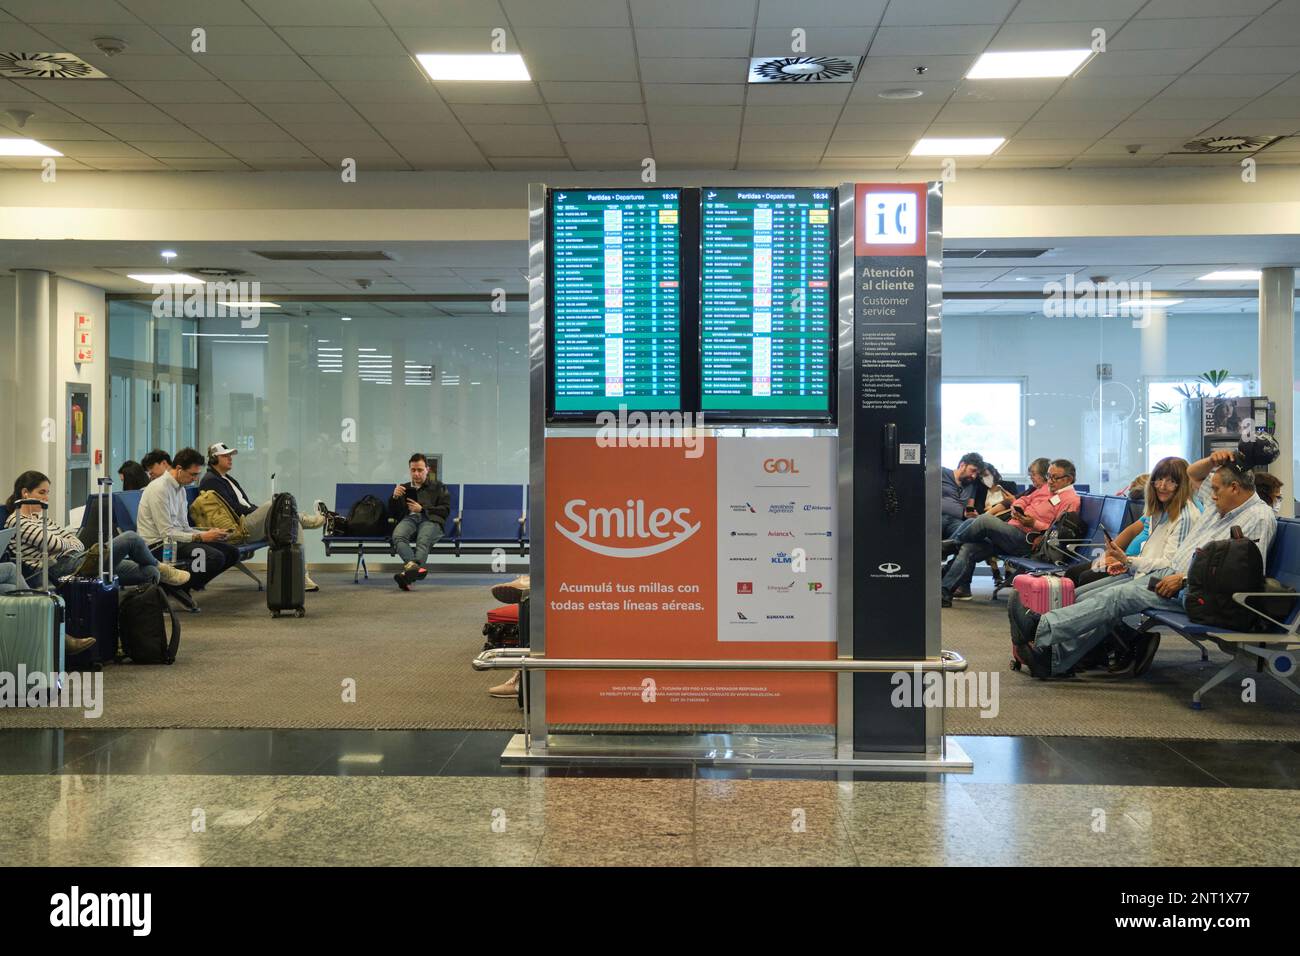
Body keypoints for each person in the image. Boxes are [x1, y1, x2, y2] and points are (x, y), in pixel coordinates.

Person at [1010, 451, 1277, 679]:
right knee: (1110, 597)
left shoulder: (1258, 518)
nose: (1212, 495)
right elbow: (1193, 474)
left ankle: (1041, 627)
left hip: (1199, 593)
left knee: (1117, 597)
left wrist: (1183, 579)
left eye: (1217, 490)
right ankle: (1054, 661)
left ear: (1234, 488)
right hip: (1173, 577)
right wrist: (1212, 459)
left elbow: (1242, 574)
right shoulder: (1219, 507)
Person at [942, 459, 1081, 606]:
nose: (1050, 481)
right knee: (969, 547)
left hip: (1027, 540)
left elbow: (1058, 532)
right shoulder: (1046, 489)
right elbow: (1024, 499)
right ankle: (944, 592)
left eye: (1055, 477)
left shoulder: (1071, 500)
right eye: (1048, 476)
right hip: (1010, 534)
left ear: (1068, 479)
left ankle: (948, 546)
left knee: (985, 521)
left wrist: (1033, 523)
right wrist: (1018, 508)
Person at [198, 442, 326, 591]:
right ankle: (313, 521)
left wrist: (261, 513)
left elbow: (244, 504)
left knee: (289, 521)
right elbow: (233, 509)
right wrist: (261, 513)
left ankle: (301, 577)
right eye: (225, 456)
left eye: (230, 455)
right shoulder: (211, 481)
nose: (230, 458)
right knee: (276, 506)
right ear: (214, 459)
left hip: (247, 521)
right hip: (239, 527)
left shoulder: (226, 478)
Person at [1064, 458, 1198, 591]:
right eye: (1159, 480)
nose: (1162, 486)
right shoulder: (1158, 511)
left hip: (1149, 577)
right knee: (1079, 590)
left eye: (1171, 482)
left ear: (1182, 485)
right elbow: (1135, 535)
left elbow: (1169, 565)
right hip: (1136, 568)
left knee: (1086, 587)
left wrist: (1127, 560)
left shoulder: (1184, 516)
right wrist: (1118, 558)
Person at [136, 447, 239, 595]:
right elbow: (166, 534)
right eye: (193, 474)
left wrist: (208, 532)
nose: (195, 479)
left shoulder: (180, 489)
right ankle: (175, 585)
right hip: (158, 546)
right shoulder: (159, 489)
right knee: (214, 557)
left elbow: (184, 527)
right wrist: (200, 537)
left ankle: (185, 584)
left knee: (232, 552)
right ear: (179, 469)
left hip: (175, 541)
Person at [390, 453, 451, 590]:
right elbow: (394, 513)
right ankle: (414, 570)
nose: (416, 474)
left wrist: (422, 509)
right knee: (398, 536)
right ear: (409, 470)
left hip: (431, 520)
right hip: (410, 519)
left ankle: (407, 575)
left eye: (420, 470)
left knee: (423, 540)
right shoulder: (404, 488)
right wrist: (394, 497)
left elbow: (445, 510)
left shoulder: (439, 487)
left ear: (427, 470)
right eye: (413, 470)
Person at [941, 452, 984, 538]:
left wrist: (970, 514)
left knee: (971, 531)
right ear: (962, 465)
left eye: (977, 473)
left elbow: (969, 507)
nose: (974, 476)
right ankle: (949, 545)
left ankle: (946, 545)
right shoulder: (942, 473)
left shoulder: (972, 485)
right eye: (973, 471)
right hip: (937, 517)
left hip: (955, 521)